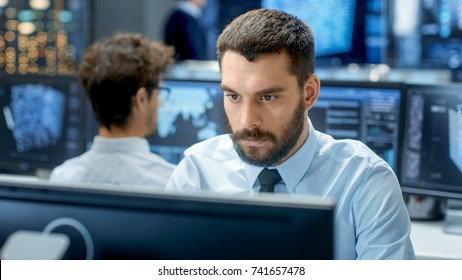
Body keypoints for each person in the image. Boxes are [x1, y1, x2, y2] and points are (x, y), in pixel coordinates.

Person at [166, 9, 415, 259]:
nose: (247, 121)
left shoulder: (364, 181)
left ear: (309, 93)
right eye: (234, 96)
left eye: (267, 97)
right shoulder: (196, 173)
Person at [49, 33, 175, 190]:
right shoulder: (170, 182)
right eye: (159, 93)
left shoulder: (63, 178)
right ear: (141, 99)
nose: (159, 103)